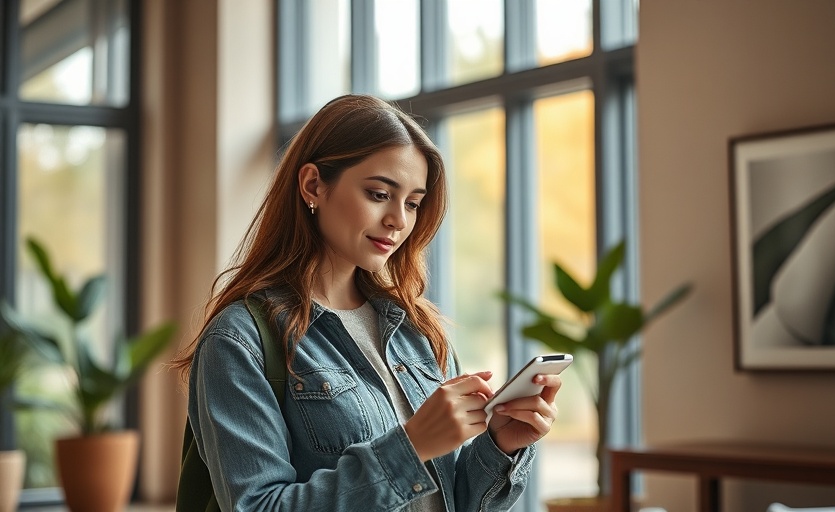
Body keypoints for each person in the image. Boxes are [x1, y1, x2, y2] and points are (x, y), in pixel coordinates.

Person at [171, 94, 563, 511]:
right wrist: (410, 448)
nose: (399, 220)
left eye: (413, 203)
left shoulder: (418, 330)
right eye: (379, 194)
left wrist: (500, 446)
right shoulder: (240, 340)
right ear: (313, 185)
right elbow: (258, 506)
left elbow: (452, 502)